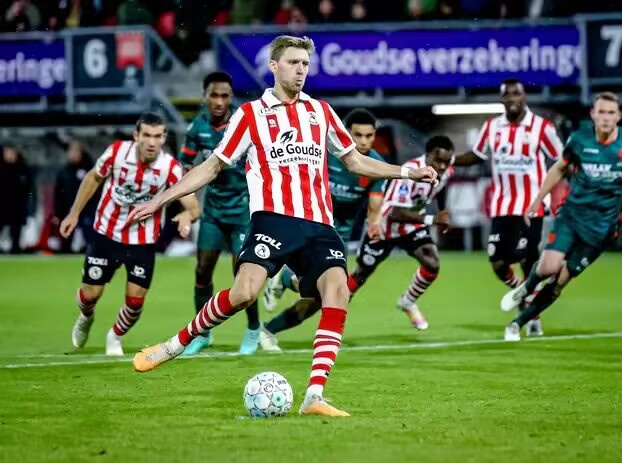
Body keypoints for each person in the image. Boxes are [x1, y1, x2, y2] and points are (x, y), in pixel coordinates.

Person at [127, 35, 438, 417]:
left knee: (338, 290)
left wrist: (406, 171)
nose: (301, 70)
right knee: (244, 293)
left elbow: (355, 161)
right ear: (274, 66)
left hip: (319, 224)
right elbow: (212, 166)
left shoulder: (321, 112)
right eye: (293, 62)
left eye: (305, 64)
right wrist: (161, 200)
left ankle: (314, 396)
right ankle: (175, 344)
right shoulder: (251, 115)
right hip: (272, 220)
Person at [500, 92, 622, 341]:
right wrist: (537, 200)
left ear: (619, 116)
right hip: (572, 216)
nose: (606, 117)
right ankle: (526, 287)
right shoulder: (579, 140)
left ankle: (516, 324)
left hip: (601, 228)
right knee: (548, 267)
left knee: (560, 280)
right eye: (601, 112)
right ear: (593, 114)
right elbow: (559, 168)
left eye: (611, 113)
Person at [60, 112, 200, 356]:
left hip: (143, 241)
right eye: (147, 135)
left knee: (135, 303)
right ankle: (85, 317)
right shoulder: (116, 153)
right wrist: (74, 213)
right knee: (90, 295)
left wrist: (188, 216)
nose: (152, 142)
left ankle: (115, 335)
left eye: (157, 136)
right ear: (136, 136)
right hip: (107, 233)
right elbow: (93, 178)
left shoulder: (169, 168)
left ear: (163, 138)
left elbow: (194, 207)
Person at [258, 108, 386, 352]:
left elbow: (375, 205)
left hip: (340, 235)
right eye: (358, 135)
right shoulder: (325, 152)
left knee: (322, 296)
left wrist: (374, 224)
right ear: (346, 133)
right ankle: (282, 285)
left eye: (369, 136)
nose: (363, 141)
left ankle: (270, 324)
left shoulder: (375, 165)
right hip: (311, 223)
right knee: (328, 289)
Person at [454, 79, 564, 336]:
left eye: (517, 93)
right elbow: (476, 155)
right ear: (502, 99)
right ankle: (522, 294)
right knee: (497, 260)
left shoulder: (542, 127)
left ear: (524, 97)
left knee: (527, 260)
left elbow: (562, 160)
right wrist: (449, 160)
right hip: (502, 206)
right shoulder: (492, 127)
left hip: (532, 206)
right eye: (508, 94)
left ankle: (532, 316)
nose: (513, 98)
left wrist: (559, 195)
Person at [178, 71, 264, 356]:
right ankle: (202, 333)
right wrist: (188, 206)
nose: (219, 101)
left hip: (243, 211)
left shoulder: (245, 122)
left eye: (224, 95)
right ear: (204, 96)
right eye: (213, 95)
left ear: (231, 97)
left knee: (243, 274)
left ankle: (253, 329)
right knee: (202, 270)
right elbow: (184, 167)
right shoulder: (197, 128)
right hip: (213, 211)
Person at [343, 135, 454, 330]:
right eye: (439, 160)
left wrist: (442, 211)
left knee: (432, 262)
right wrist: (432, 219)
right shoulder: (412, 171)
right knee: (361, 274)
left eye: (447, 161)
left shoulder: (446, 171)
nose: (443, 166)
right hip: (385, 227)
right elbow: (396, 213)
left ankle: (408, 302)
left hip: (412, 226)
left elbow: (441, 187)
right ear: (427, 155)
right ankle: (337, 308)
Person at [54, 140, 98, 253]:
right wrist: (57, 212)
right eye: (71, 152)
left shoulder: (90, 170)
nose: (73, 154)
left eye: (75, 151)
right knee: (66, 239)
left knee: (90, 240)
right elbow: (58, 194)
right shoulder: (64, 172)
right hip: (68, 211)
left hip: (87, 210)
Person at [0, 145, 34, 254]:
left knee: (16, 228)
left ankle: (15, 247)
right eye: (7, 152)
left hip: (18, 206)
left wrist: (27, 204)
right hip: (2, 204)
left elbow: (29, 189)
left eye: (12, 152)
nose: (10, 155)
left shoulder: (22, 169)